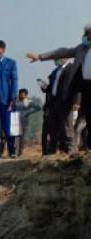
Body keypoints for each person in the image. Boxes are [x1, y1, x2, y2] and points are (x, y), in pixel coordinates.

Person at [26, 24, 91, 154]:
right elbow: (61, 52)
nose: (84, 36)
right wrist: (40, 56)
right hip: (85, 87)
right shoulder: (81, 48)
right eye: (85, 34)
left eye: (87, 34)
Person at [15, 88, 42, 157]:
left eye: (22, 94)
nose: (21, 95)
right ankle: (15, 152)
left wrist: (28, 112)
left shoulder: (27, 101)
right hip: (16, 121)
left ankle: (20, 152)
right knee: (16, 137)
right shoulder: (16, 101)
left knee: (22, 137)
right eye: (20, 94)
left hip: (24, 121)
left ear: (26, 95)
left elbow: (38, 108)